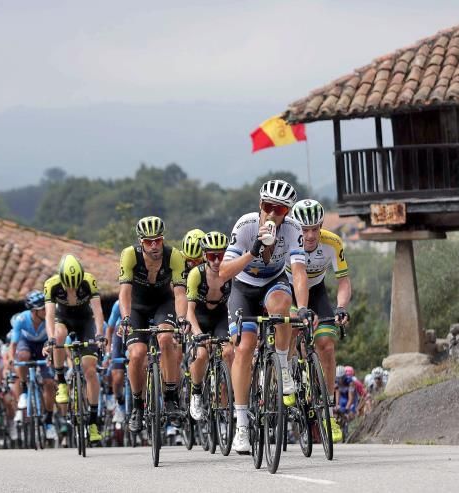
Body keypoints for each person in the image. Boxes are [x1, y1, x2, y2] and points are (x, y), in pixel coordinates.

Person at [219, 179, 314, 454]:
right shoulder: (246, 225)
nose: (273, 214)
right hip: (243, 286)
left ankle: (283, 367)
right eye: (269, 206)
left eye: (281, 210)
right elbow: (224, 272)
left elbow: (298, 272)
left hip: (273, 282)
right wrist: (253, 251)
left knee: (283, 306)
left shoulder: (294, 230)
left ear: (288, 213)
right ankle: (241, 425)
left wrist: (304, 307)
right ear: (260, 205)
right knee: (245, 347)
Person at [286, 198, 351, 443]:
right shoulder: (289, 241)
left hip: (317, 291)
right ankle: (289, 368)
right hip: (288, 289)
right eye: (304, 230)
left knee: (326, 345)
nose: (310, 235)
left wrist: (341, 307)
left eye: (315, 228)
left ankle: (328, 413)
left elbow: (343, 281)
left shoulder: (332, 242)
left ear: (321, 225)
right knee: (291, 323)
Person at [118, 216, 187, 433]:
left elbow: (179, 293)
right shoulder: (130, 255)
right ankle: (138, 406)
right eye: (149, 242)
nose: (154, 245)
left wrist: (183, 318)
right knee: (137, 353)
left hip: (163, 304)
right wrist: (126, 318)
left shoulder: (174, 256)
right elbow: (125, 292)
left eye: (157, 240)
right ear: (141, 242)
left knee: (166, 338)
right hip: (137, 307)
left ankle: (170, 396)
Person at [42, 254, 107, 444]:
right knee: (59, 336)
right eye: (67, 286)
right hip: (63, 319)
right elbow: (49, 316)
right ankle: (61, 381)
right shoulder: (51, 284)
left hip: (85, 321)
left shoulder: (89, 281)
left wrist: (100, 335)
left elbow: (98, 313)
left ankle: (93, 423)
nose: (71, 289)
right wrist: (51, 340)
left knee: (90, 370)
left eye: (75, 285)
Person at [186, 231, 235, 420]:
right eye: (212, 256)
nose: (216, 261)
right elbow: (189, 311)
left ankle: (231, 397)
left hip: (221, 317)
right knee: (202, 354)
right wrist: (198, 333)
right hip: (199, 317)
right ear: (205, 256)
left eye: (221, 256)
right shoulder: (195, 275)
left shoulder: (231, 273)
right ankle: (196, 393)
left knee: (229, 352)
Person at [8, 290, 57, 440]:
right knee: (22, 356)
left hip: (44, 346)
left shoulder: (50, 319)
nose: (46, 310)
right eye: (43, 309)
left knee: (49, 382)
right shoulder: (22, 319)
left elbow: (55, 341)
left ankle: (49, 421)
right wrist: (11, 359)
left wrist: (53, 358)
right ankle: (24, 391)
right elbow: (14, 343)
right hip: (26, 344)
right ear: (34, 311)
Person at [105, 300, 126, 425]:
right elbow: (109, 329)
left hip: (139, 334)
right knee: (117, 377)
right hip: (119, 338)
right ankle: (120, 403)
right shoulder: (118, 304)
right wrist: (108, 353)